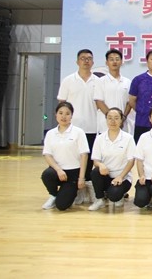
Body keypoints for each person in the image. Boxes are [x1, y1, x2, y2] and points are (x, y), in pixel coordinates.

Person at [57, 48, 98, 203]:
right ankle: (76, 190)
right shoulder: (68, 80)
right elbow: (62, 103)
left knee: (89, 161)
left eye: (89, 58)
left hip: (92, 127)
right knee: (74, 159)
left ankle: (87, 189)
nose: (86, 61)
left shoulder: (98, 81)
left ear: (93, 62)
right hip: (72, 129)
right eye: (83, 58)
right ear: (77, 61)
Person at [41, 102, 89, 211]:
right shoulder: (50, 133)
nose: (63, 116)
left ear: (71, 116)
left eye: (67, 114)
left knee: (62, 206)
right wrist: (58, 170)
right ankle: (53, 195)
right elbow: (47, 155)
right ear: (56, 115)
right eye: (61, 113)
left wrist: (81, 178)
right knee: (47, 174)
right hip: (57, 171)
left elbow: (84, 155)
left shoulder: (78, 132)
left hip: (73, 173)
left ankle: (74, 191)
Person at [88, 107, 136, 211]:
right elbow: (95, 160)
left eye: (116, 118)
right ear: (106, 120)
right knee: (95, 172)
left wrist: (120, 177)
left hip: (122, 178)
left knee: (114, 196)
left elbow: (131, 161)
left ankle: (119, 194)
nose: (113, 121)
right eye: (110, 118)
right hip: (106, 175)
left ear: (121, 120)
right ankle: (99, 199)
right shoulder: (100, 138)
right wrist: (100, 165)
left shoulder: (128, 138)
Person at [94, 49, 133, 135]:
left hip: (122, 125)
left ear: (122, 62)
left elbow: (129, 103)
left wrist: (122, 118)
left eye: (117, 59)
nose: (114, 62)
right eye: (111, 59)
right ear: (107, 62)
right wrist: (112, 118)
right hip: (105, 126)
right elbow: (99, 102)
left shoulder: (127, 82)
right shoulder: (100, 81)